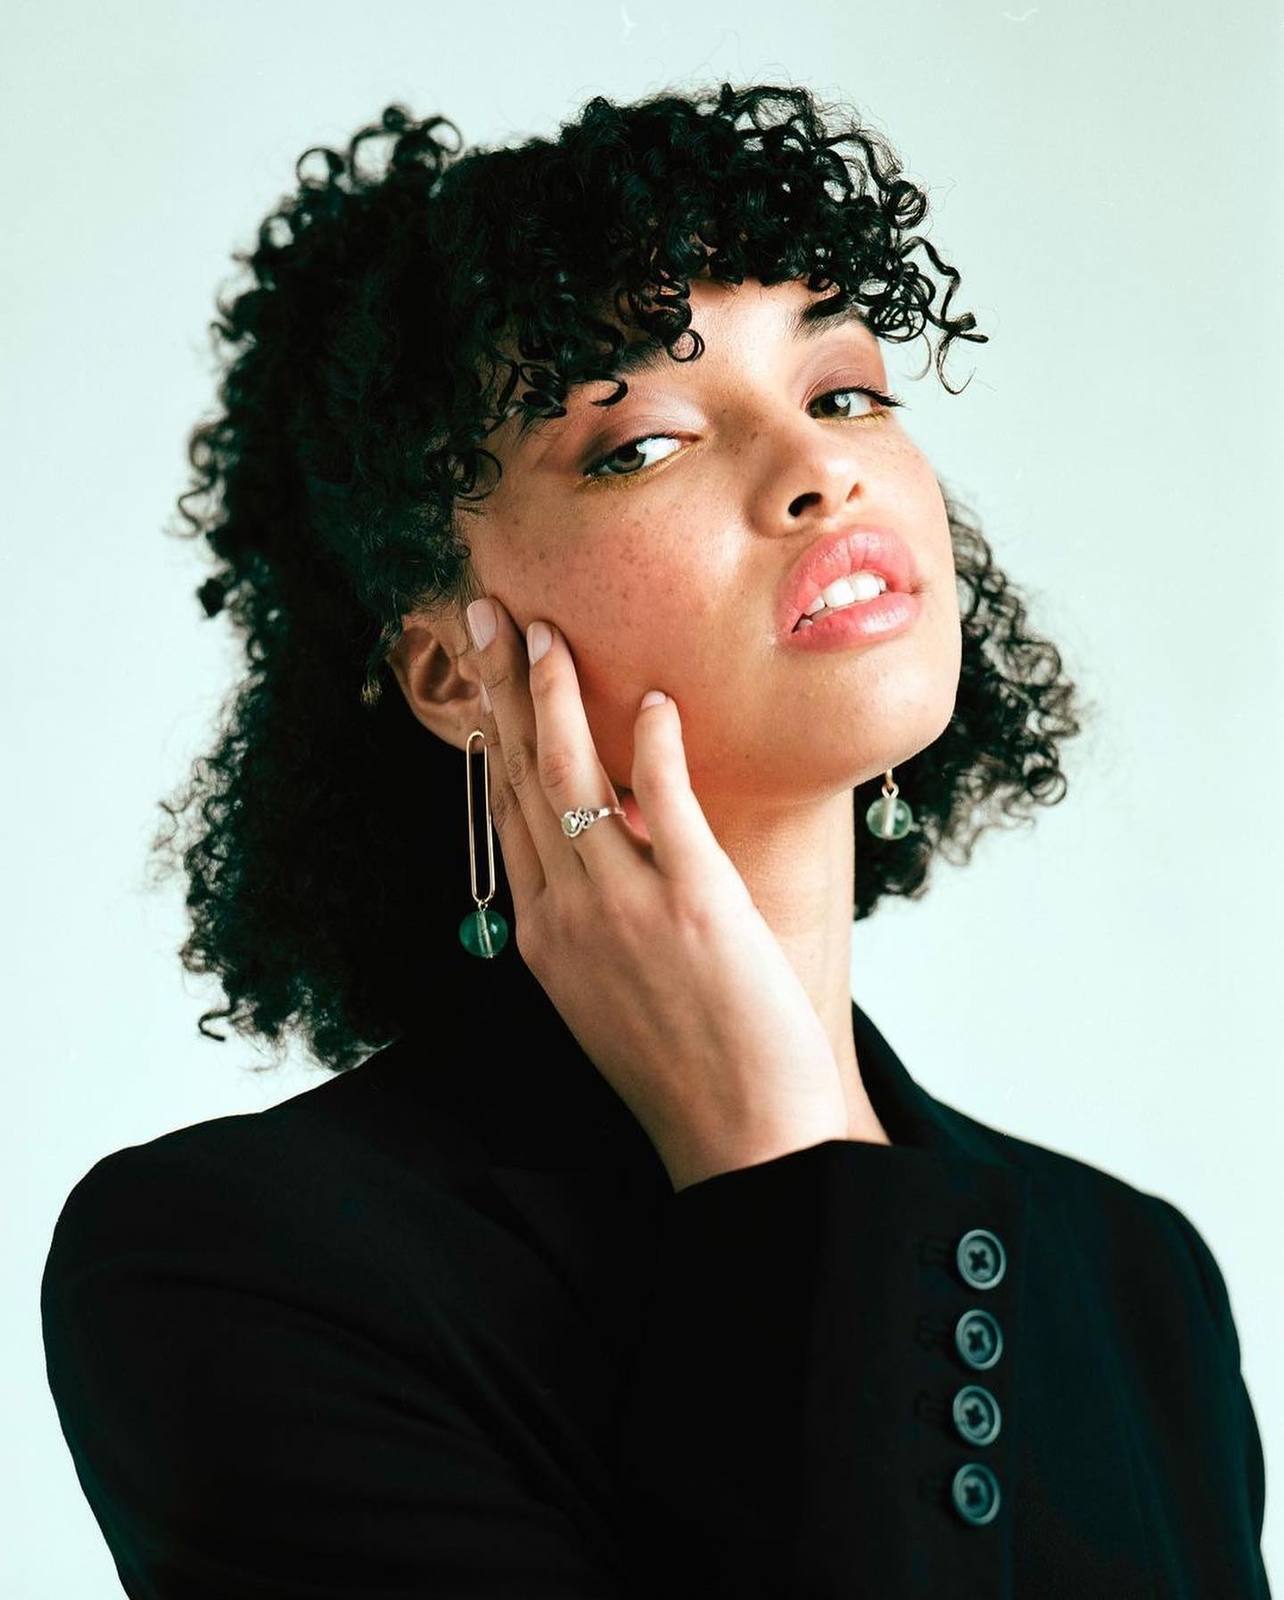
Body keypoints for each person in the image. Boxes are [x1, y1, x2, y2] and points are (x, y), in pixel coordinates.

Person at [40, 83, 1270, 1596]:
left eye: (844, 391)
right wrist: (769, 1157)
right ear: (450, 668)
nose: (819, 467)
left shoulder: (1130, 1277)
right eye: (641, 444)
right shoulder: (233, 1266)